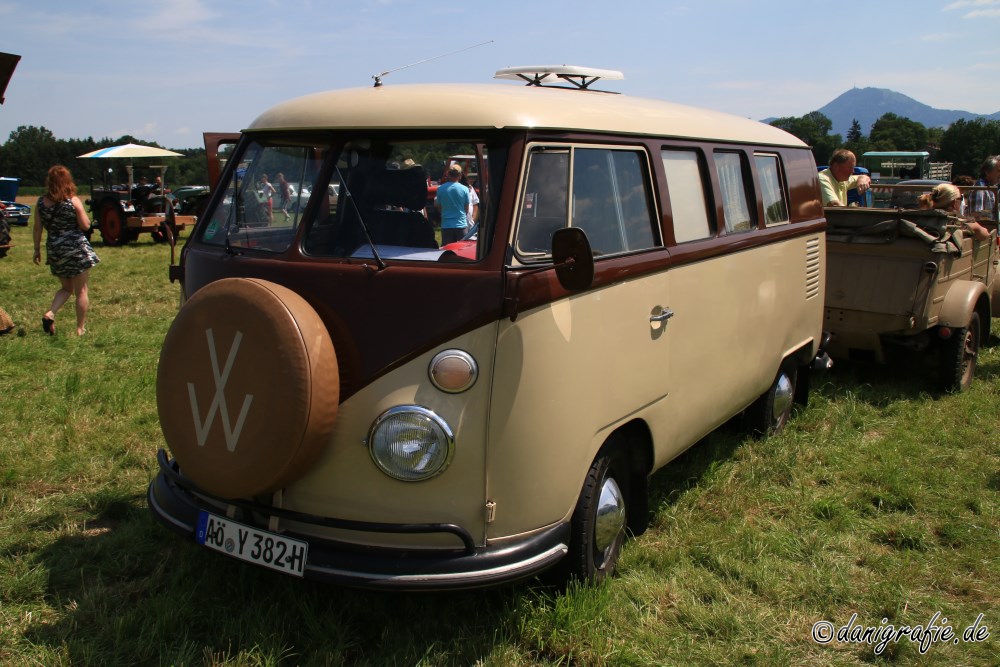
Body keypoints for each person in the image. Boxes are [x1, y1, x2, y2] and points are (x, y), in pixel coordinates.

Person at [32, 165, 100, 336]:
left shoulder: (41, 202)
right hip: (75, 248)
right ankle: (80, 328)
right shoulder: (73, 200)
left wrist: (36, 250)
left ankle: (51, 313)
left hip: (55, 248)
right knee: (81, 291)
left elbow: (37, 229)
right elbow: (86, 225)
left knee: (66, 288)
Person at [917, 182, 991, 241]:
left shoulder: (919, 218)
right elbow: (985, 235)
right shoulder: (961, 223)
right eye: (960, 198)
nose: (961, 200)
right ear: (954, 202)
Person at [435, 163, 471, 245]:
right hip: (461, 224)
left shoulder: (440, 189)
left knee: (447, 251)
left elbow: (439, 207)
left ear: (448, 174)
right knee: (462, 252)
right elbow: (466, 208)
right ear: (460, 175)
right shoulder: (465, 189)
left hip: (446, 224)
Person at [970, 156, 1000, 222]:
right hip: (985, 229)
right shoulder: (980, 187)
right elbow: (976, 215)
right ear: (987, 172)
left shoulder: (993, 187)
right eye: (998, 171)